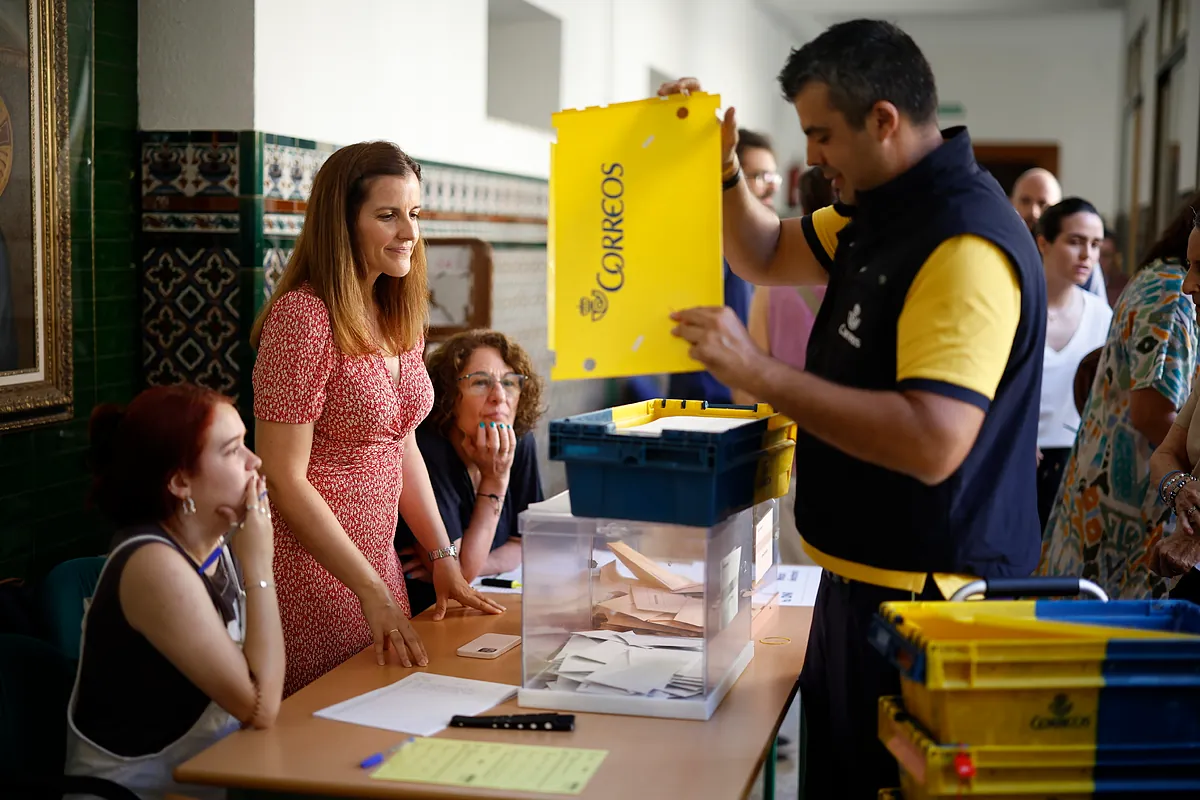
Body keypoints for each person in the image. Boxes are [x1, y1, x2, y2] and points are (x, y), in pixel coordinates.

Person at [661, 19, 1046, 798]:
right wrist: (722, 171)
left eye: (822, 134)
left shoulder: (962, 243)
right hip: (858, 584)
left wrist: (757, 370)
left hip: (927, 606)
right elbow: (763, 254)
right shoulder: (885, 209)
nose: (814, 158)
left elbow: (935, 440)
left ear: (883, 119)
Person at [250, 141, 503, 697]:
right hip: (312, 572)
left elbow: (400, 442)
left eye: (414, 214)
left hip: (378, 565)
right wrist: (367, 589)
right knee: (321, 735)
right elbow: (283, 477)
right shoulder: (303, 319)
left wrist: (442, 556)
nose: (408, 232)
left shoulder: (396, 314)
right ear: (343, 223)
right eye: (387, 215)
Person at [65, 384, 283, 800]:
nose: (255, 462)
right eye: (233, 449)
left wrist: (251, 560)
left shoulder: (217, 543)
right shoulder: (153, 565)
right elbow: (260, 707)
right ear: (181, 481)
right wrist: (259, 564)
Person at [1040, 195, 1200, 599]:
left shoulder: (1157, 279)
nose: (1190, 283)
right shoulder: (1169, 294)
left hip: (1111, 496)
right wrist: (1184, 485)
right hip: (1127, 511)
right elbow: (1150, 415)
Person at [396, 330, 545, 614]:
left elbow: (531, 542)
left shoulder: (519, 440)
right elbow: (461, 573)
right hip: (427, 612)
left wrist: (464, 564)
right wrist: (496, 479)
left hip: (484, 598)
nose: (499, 397)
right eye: (480, 383)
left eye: (510, 383)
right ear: (449, 397)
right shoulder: (426, 451)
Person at [738, 166, 835, 567]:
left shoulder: (771, 286)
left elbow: (746, 388)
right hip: (851, 459)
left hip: (787, 460)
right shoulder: (870, 282)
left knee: (797, 581)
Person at [667, 129, 778, 405]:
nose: (772, 187)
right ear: (729, 178)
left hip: (740, 404)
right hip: (707, 409)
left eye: (773, 177)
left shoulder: (753, 249)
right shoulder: (711, 243)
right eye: (761, 177)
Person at [1035, 198, 1113, 530]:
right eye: (1075, 241)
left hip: (1078, 459)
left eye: (1095, 245)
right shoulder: (1014, 306)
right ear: (1044, 242)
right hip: (1016, 454)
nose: (1087, 256)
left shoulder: (1102, 314)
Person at [1011, 168, 1108, 304]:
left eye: (1043, 204)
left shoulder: (1083, 262)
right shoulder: (1001, 251)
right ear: (1011, 202)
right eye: (1025, 201)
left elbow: (1096, 317)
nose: (1033, 212)